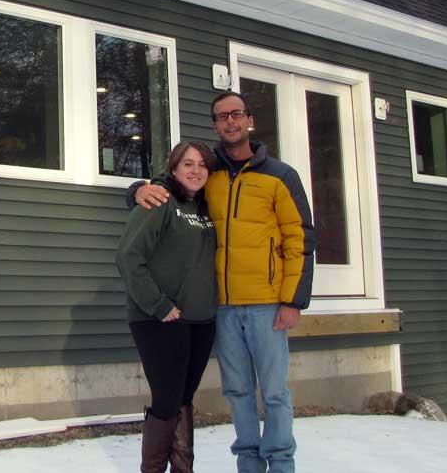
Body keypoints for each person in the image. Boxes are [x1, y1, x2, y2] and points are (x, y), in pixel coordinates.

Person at [129, 91, 315, 473]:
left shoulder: (281, 176)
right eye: (221, 117)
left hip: (267, 304)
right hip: (223, 308)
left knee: (275, 393)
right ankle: (248, 463)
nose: (230, 122)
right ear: (215, 124)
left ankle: (281, 464)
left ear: (249, 119)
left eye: (236, 114)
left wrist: (294, 300)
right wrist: (135, 190)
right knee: (238, 391)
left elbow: (301, 238)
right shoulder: (208, 173)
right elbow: (167, 185)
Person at [116, 141, 219, 473]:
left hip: (201, 320)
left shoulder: (204, 207)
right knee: (166, 401)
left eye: (202, 164)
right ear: (173, 168)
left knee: (183, 401)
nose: (195, 170)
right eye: (187, 164)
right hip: (159, 319)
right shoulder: (160, 200)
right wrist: (158, 305)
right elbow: (129, 257)